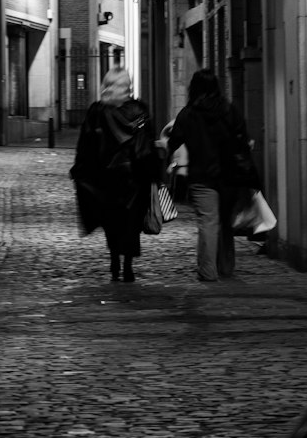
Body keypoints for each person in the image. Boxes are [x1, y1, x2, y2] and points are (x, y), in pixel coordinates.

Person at [166, 68, 261, 282]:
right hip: (229, 176)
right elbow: (243, 138)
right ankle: (226, 267)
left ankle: (208, 271)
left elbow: (174, 142)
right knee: (225, 222)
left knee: (208, 221)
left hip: (201, 176)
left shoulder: (188, 114)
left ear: (194, 88)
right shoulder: (229, 110)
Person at [70, 67, 162, 283]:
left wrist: (80, 168)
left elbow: (86, 144)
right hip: (128, 178)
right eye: (124, 84)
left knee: (115, 223)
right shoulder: (137, 110)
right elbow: (145, 145)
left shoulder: (98, 111)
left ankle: (118, 264)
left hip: (111, 178)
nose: (127, 88)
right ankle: (125, 264)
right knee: (127, 223)